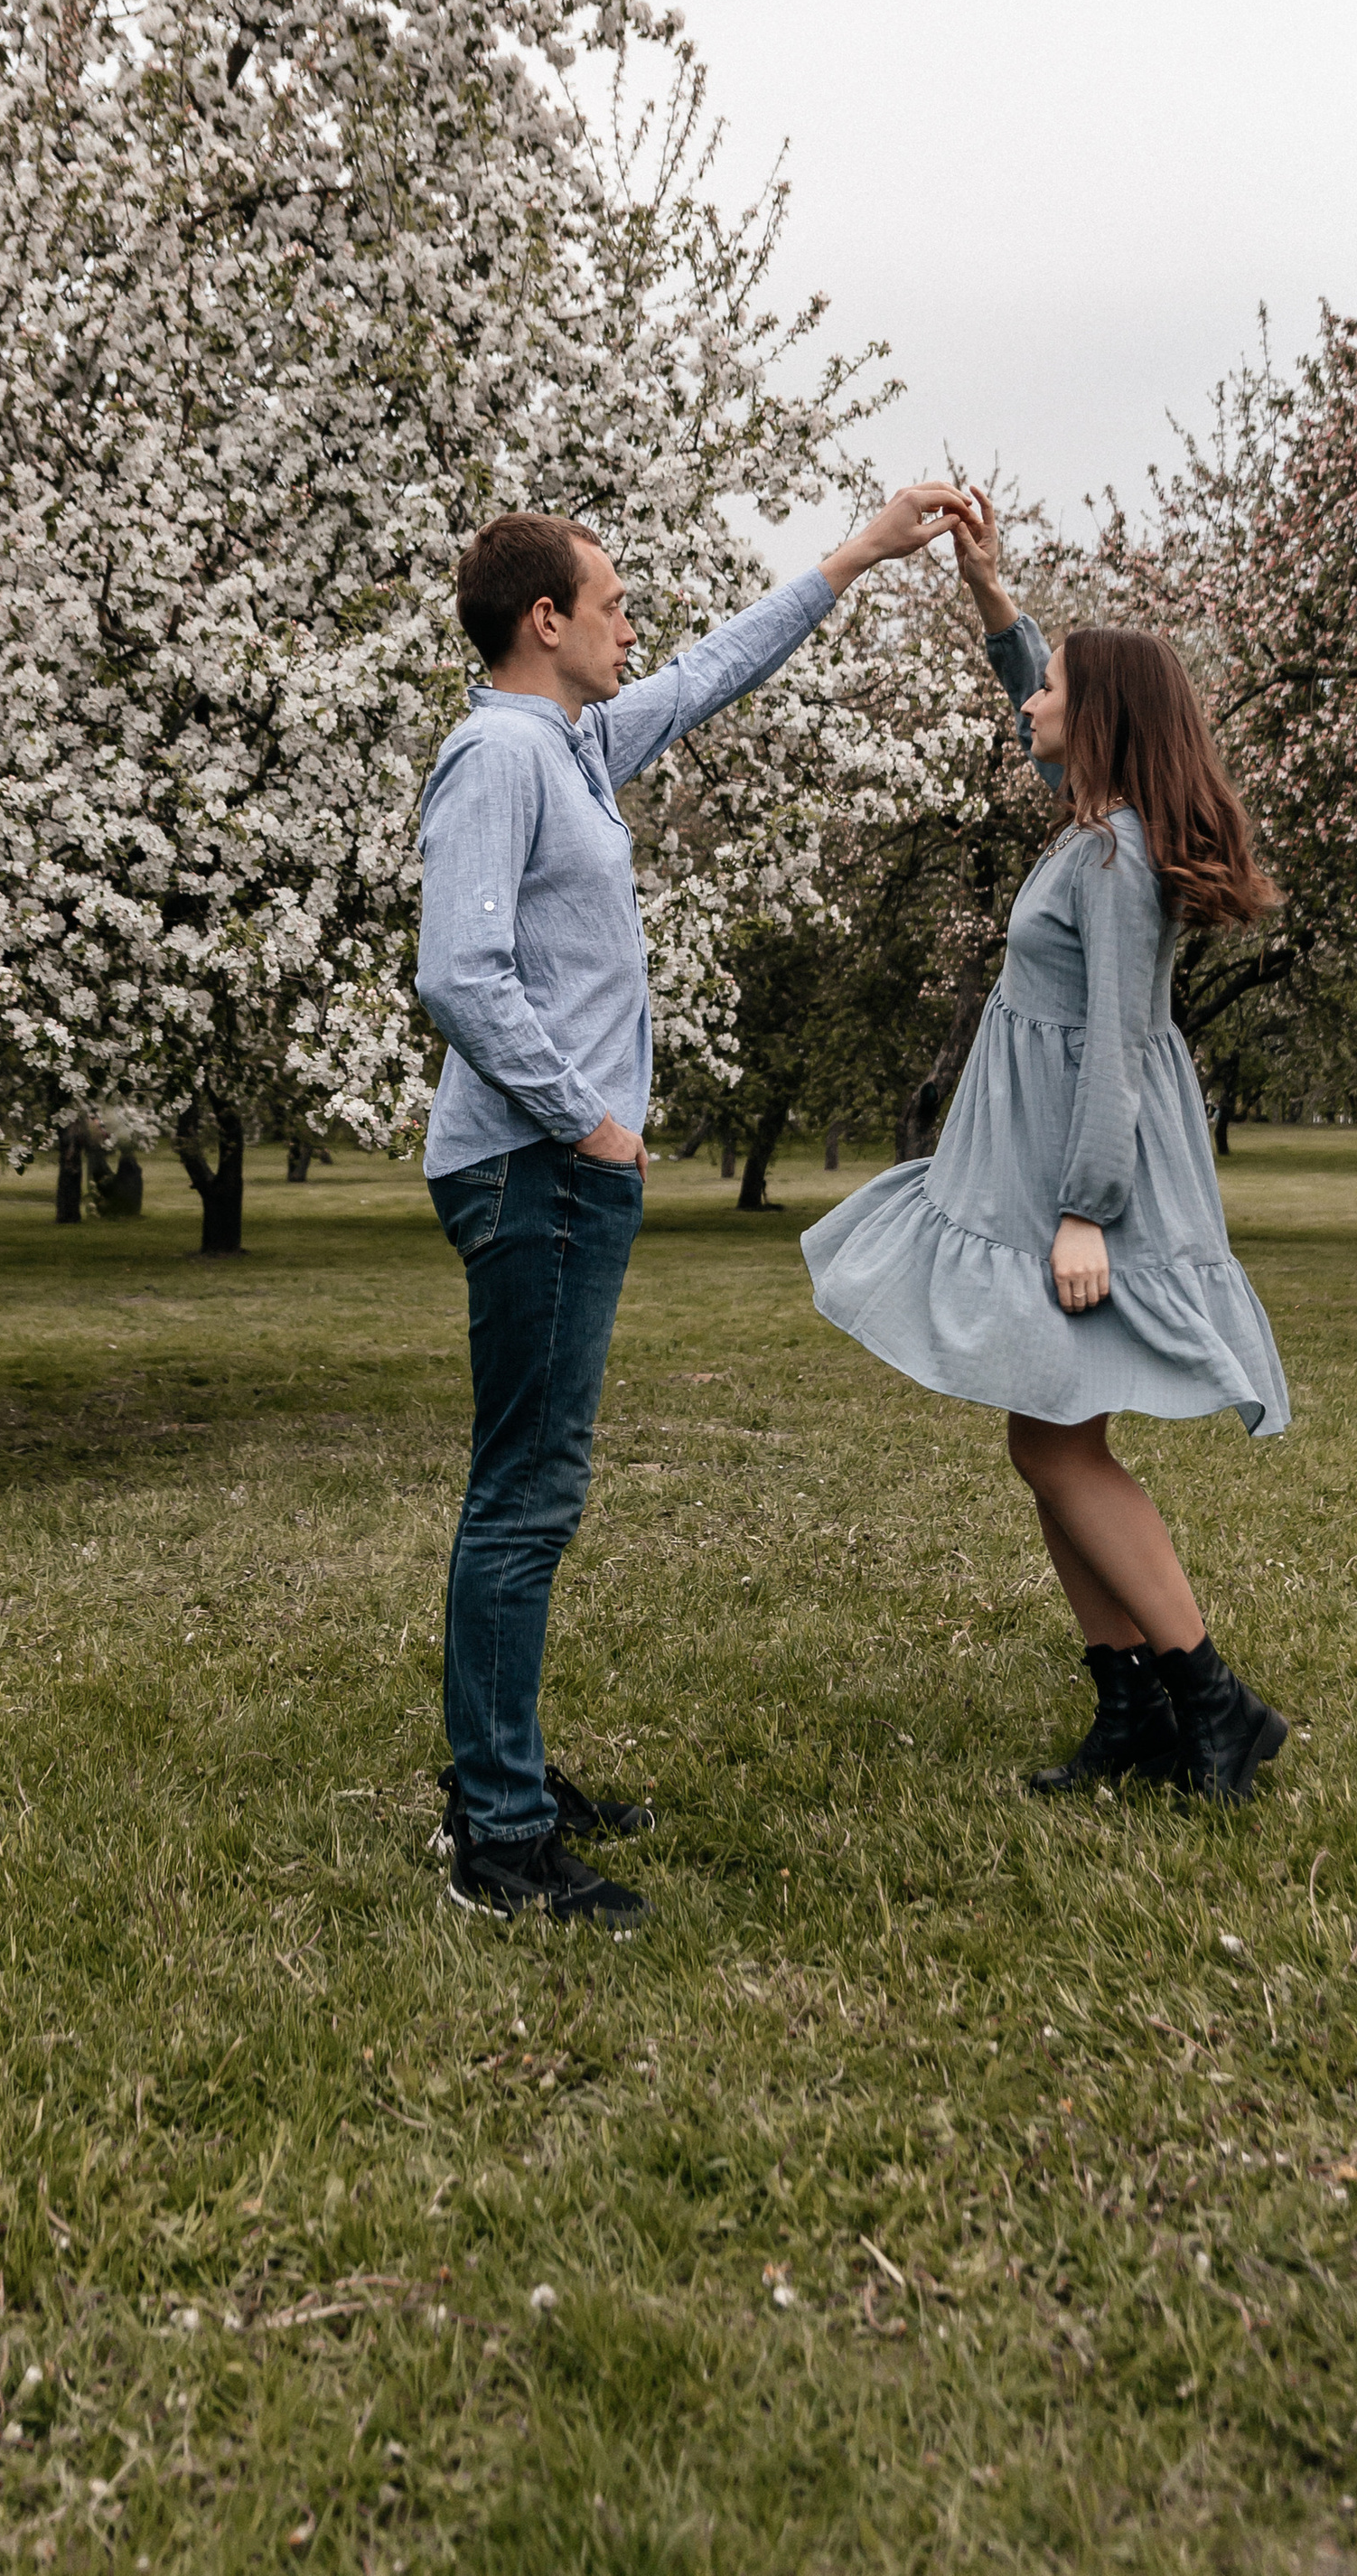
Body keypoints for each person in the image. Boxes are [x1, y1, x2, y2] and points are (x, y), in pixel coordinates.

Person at [417, 484, 977, 1927]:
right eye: (611, 605)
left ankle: (510, 1771)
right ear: (544, 622)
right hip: (535, 1170)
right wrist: (590, 1123)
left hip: (557, 1168)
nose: (631, 626)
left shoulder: (577, 748)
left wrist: (852, 559)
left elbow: (711, 670)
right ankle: (498, 1836)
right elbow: (457, 975)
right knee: (525, 1495)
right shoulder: (498, 755)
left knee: (535, 1486)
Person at [800, 492, 1292, 1803]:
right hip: (1037, 1166)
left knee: (1060, 1444)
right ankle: (1129, 1701)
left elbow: (1124, 1039)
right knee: (1046, 1433)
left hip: (1087, 1174)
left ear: (1106, 721)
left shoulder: (1118, 858)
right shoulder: (1095, 818)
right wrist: (990, 594)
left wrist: (1085, 1211)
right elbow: (1032, 698)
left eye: (1056, 689)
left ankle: (1211, 1699)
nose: (1032, 703)